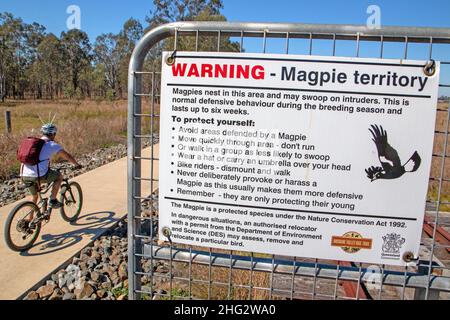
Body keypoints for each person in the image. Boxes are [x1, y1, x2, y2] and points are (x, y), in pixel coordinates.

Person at [21, 123, 82, 208]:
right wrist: (77, 164)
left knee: (35, 196)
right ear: (53, 134)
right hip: (38, 175)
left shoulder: (34, 144)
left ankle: (29, 220)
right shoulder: (52, 145)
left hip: (24, 175)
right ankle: (52, 200)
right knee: (59, 177)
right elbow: (67, 156)